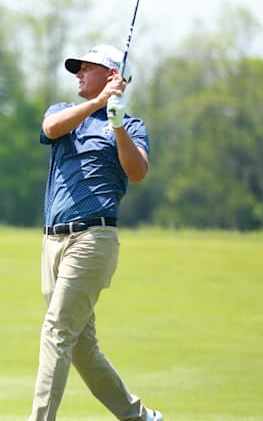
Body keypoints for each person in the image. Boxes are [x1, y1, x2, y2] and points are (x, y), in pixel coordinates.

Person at [29, 45, 163, 421]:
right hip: (52, 241)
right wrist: (98, 103)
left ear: (110, 75)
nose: (78, 74)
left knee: (56, 330)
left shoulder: (130, 125)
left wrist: (116, 122)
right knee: (79, 347)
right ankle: (139, 417)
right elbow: (51, 129)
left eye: (86, 68)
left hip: (93, 239)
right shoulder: (63, 112)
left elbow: (137, 172)